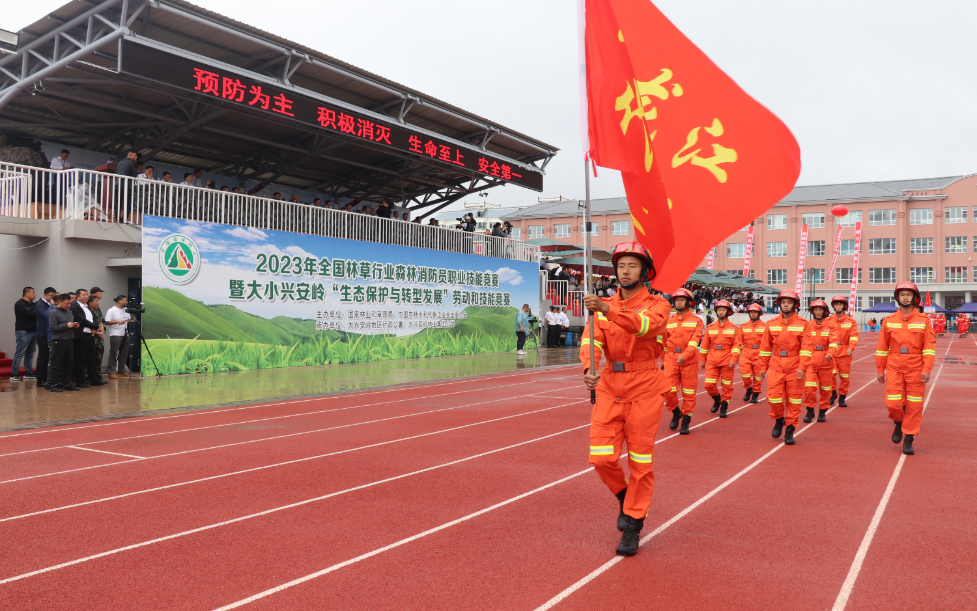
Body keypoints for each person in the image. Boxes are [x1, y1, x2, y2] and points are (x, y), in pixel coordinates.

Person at [581, 241, 670, 556]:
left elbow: (643, 327)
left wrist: (608, 309)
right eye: (621, 266)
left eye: (632, 265)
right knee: (601, 457)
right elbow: (590, 340)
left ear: (645, 272)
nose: (625, 271)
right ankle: (624, 494)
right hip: (609, 385)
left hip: (645, 386)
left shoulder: (658, 305)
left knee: (641, 462)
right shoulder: (601, 306)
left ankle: (633, 524)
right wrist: (590, 366)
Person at [876, 282, 936, 455]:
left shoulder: (924, 321)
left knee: (914, 405)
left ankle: (909, 438)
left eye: (908, 294)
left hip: (916, 368)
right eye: (902, 294)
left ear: (914, 297)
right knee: (894, 403)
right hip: (894, 366)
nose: (905, 297)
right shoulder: (888, 321)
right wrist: (880, 370)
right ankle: (898, 422)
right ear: (897, 297)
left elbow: (929, 348)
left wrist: (927, 369)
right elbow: (881, 348)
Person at [758, 290, 809, 445]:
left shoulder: (804, 324)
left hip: (795, 365)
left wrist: (802, 367)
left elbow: (806, 348)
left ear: (795, 305)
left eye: (789, 302)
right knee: (773, 397)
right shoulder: (771, 324)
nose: (786, 304)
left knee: (794, 400)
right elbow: (765, 348)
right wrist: (762, 366)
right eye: (783, 302)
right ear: (779, 304)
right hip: (776, 364)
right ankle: (779, 419)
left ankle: (790, 429)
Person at [663, 288, 704, 435]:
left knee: (688, 392)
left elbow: (695, 342)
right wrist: (663, 358)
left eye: (682, 300)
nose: (679, 302)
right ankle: (675, 412)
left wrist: (684, 356)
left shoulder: (697, 321)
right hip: (670, 359)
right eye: (677, 300)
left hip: (689, 361)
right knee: (668, 391)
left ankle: (686, 419)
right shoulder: (668, 320)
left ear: (688, 302)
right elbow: (663, 341)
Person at [699, 299, 742, 419]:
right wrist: (703, 360)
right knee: (708, 385)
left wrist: (733, 360)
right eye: (719, 310)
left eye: (723, 310)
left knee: (727, 385)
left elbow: (737, 345)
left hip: (727, 359)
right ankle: (717, 399)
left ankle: (724, 405)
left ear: (728, 312)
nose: (721, 312)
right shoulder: (710, 327)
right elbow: (705, 346)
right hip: (712, 358)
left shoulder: (734, 328)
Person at [802, 300, 838, 424]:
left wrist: (830, 353)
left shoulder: (831, 326)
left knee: (826, 389)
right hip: (810, 361)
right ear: (812, 311)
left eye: (820, 310)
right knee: (809, 388)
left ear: (824, 311)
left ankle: (822, 411)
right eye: (816, 310)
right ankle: (810, 410)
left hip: (826, 361)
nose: (818, 312)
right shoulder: (807, 325)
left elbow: (834, 341)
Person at [69, 289, 105, 387]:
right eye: (84, 294)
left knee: (91, 359)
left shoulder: (87, 306)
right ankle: (80, 381)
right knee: (80, 360)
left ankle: (95, 380)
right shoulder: (75, 306)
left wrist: (95, 326)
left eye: (87, 294)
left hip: (90, 335)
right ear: (77, 296)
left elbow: (94, 316)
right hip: (81, 336)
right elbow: (81, 320)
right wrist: (94, 326)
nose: (86, 296)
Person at [828, 295, 859, 407]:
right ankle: (832, 394)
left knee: (844, 377)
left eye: (840, 304)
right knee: (831, 375)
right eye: (836, 304)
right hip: (832, 352)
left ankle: (842, 397)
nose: (838, 306)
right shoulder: (828, 320)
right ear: (833, 306)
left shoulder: (851, 321)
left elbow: (854, 336)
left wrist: (851, 348)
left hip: (845, 352)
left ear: (844, 306)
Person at [47, 294, 79, 392]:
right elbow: (52, 328)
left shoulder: (69, 312)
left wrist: (74, 326)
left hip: (69, 340)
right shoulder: (53, 312)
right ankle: (54, 384)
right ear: (60, 302)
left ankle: (67, 383)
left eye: (70, 304)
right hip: (58, 341)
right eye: (67, 304)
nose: (68, 305)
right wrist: (66, 325)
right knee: (56, 364)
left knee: (68, 363)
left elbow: (69, 325)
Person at [739, 303, 766, 403]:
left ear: (759, 313)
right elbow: (739, 341)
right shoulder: (743, 326)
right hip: (746, 352)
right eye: (751, 312)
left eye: (755, 312)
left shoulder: (765, 326)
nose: (753, 314)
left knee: (758, 375)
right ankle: (748, 388)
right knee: (744, 373)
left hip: (759, 353)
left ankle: (755, 394)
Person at [11, 287, 37, 381]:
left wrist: (35, 312)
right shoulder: (19, 303)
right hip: (23, 331)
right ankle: (14, 373)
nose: (35, 295)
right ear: (27, 293)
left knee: (30, 353)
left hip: (34, 331)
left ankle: (28, 372)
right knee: (20, 353)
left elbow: (35, 313)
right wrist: (35, 312)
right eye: (33, 293)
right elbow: (29, 314)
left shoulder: (33, 304)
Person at [105, 295, 134, 378]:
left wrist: (131, 319)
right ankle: (111, 371)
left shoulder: (126, 310)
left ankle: (122, 371)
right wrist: (117, 322)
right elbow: (107, 322)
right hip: (115, 334)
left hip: (125, 333)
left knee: (124, 353)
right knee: (114, 353)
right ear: (120, 301)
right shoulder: (112, 310)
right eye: (125, 300)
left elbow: (127, 321)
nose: (127, 302)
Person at [34, 287, 56, 387]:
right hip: (42, 333)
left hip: (50, 333)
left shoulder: (49, 304)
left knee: (49, 356)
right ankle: (40, 379)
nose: (52, 297)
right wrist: (52, 304)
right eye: (51, 295)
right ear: (45, 295)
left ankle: (48, 378)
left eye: (53, 296)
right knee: (43, 356)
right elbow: (47, 315)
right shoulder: (40, 304)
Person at [88, 293, 106, 383]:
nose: (98, 303)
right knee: (91, 358)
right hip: (91, 336)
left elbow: (101, 321)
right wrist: (98, 331)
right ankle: (89, 377)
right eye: (96, 301)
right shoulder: (87, 311)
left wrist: (102, 331)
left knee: (99, 356)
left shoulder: (97, 310)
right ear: (90, 303)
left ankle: (98, 376)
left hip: (99, 337)